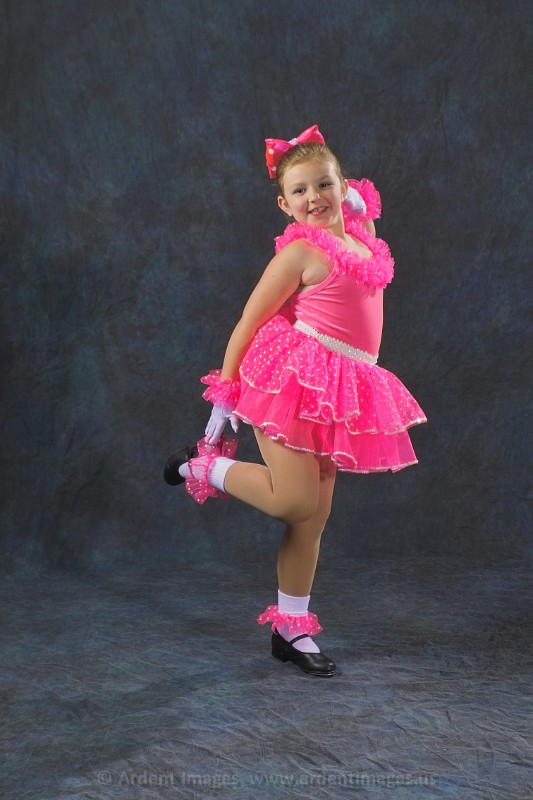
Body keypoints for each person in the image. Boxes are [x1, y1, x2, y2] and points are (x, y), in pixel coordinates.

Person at [164, 125, 426, 677]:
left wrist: (354, 203)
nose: (315, 198)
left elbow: (360, 215)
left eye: (325, 185)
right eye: (300, 191)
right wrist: (225, 392)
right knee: (293, 502)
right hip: (290, 378)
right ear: (285, 206)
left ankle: (290, 629)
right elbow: (249, 320)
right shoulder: (300, 252)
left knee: (313, 518)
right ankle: (203, 467)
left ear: (344, 186)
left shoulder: (364, 241)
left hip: (341, 388)